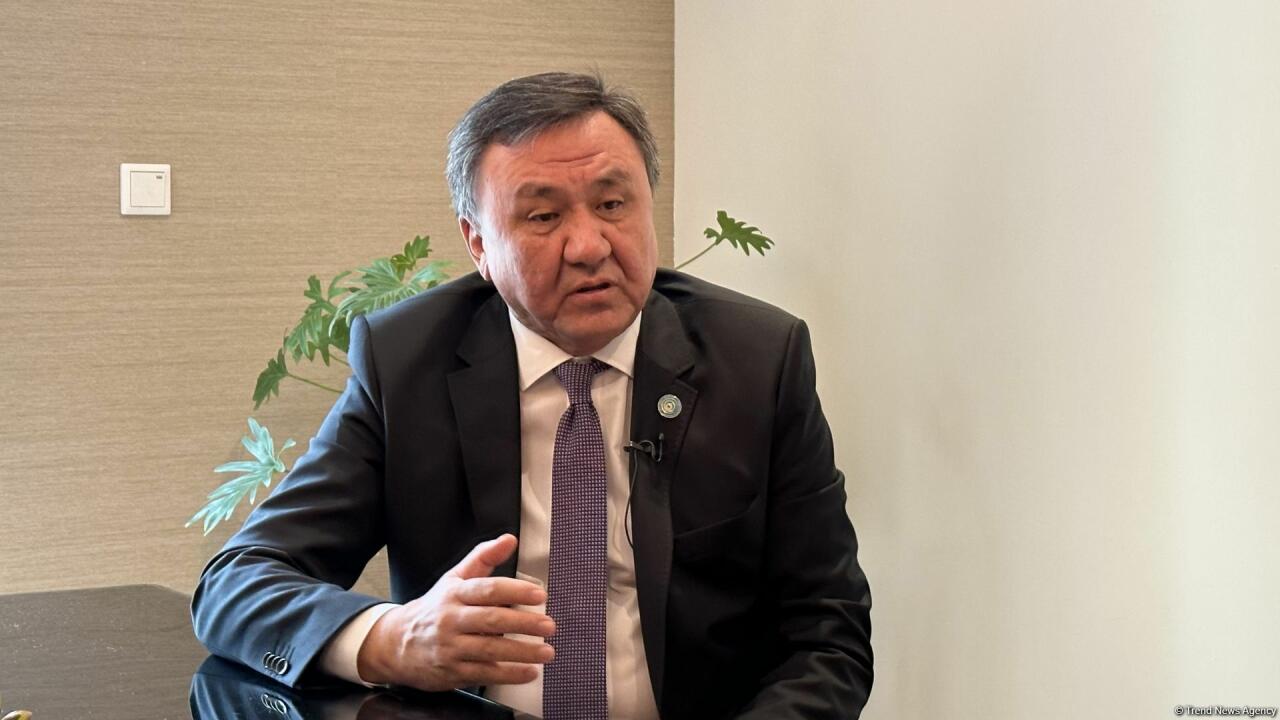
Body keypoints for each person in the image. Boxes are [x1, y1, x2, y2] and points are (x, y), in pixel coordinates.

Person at [192, 71, 873, 719]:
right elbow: (238, 582)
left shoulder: (759, 360)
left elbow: (828, 633)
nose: (589, 246)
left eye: (613, 205)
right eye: (543, 216)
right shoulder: (408, 363)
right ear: (478, 245)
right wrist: (394, 640)